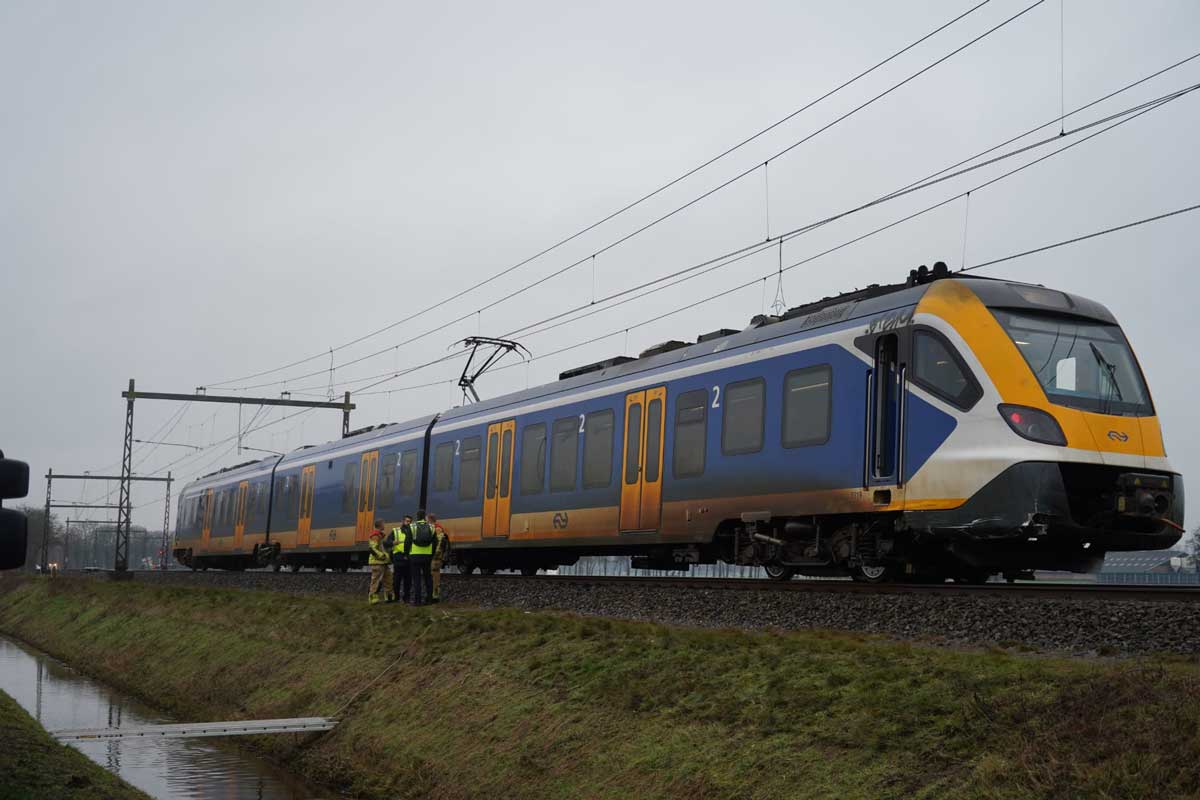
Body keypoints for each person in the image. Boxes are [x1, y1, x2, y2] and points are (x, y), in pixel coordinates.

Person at [406, 509, 435, 605]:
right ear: (424, 517)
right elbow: (435, 543)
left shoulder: (412, 527)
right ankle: (429, 599)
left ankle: (417, 601)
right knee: (428, 578)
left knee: (416, 579)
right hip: (427, 556)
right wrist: (431, 554)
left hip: (415, 556)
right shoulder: (431, 527)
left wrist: (407, 554)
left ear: (417, 517)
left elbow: (407, 542)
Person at [389, 515, 413, 604]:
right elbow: (386, 542)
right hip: (398, 558)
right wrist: (392, 542)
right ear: (403, 521)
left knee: (408, 580)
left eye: (410, 521)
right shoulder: (395, 531)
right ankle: (396, 597)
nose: (408, 523)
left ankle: (406, 598)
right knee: (397, 580)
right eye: (407, 521)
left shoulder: (412, 531)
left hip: (409, 558)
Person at [366, 522, 392, 605]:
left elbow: (381, 548)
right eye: (383, 524)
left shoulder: (380, 536)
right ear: (380, 526)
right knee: (376, 581)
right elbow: (372, 549)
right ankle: (373, 598)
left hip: (384, 562)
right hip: (378, 561)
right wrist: (382, 556)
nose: (384, 525)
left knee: (388, 579)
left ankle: (388, 597)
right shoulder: (375, 536)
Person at [429, 513, 450, 602]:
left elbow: (438, 545)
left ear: (429, 520)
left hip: (435, 557)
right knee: (435, 575)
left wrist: (434, 555)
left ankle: (434, 595)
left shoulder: (436, 529)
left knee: (434, 576)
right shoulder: (438, 528)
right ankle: (435, 594)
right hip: (437, 556)